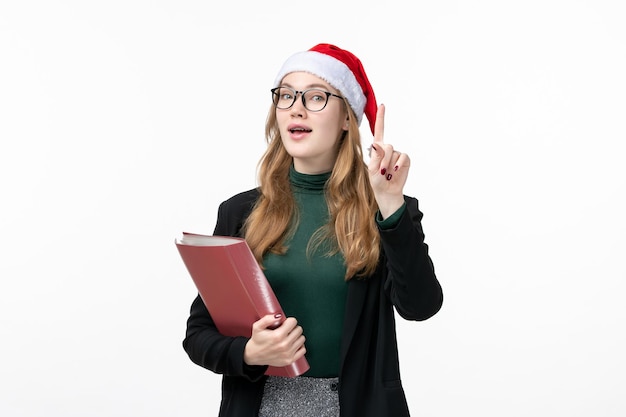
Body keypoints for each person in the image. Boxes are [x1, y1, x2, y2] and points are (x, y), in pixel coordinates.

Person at [183, 43, 443, 417]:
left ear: (346, 119)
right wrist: (249, 353)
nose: (297, 108)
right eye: (286, 96)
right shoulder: (239, 212)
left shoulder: (385, 210)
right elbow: (198, 335)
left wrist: (389, 203)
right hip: (262, 406)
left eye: (316, 96)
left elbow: (421, 306)